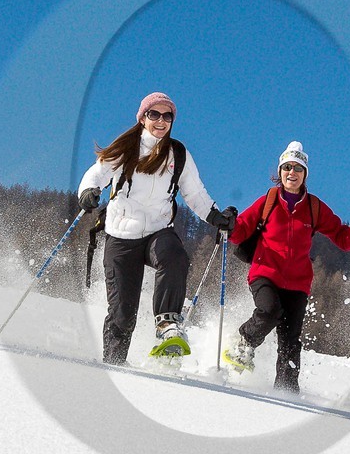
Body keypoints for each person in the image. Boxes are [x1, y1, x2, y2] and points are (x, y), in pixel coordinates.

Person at [77, 92, 234, 365]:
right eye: (155, 114)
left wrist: (214, 215)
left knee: (173, 255)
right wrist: (88, 191)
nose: (161, 121)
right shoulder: (127, 147)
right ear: (143, 118)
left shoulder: (178, 154)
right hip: (121, 235)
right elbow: (97, 173)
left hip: (157, 230)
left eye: (167, 116)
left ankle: (167, 324)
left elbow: (194, 193)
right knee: (122, 314)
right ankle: (114, 364)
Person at [223, 141, 350, 393]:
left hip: (298, 283)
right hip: (265, 272)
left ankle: (287, 390)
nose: (292, 172)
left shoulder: (314, 207)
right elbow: (241, 230)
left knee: (290, 340)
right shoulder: (268, 201)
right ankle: (244, 344)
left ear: (305, 174)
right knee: (269, 311)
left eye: (298, 168)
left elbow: (340, 236)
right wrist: (229, 223)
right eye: (287, 167)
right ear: (280, 172)